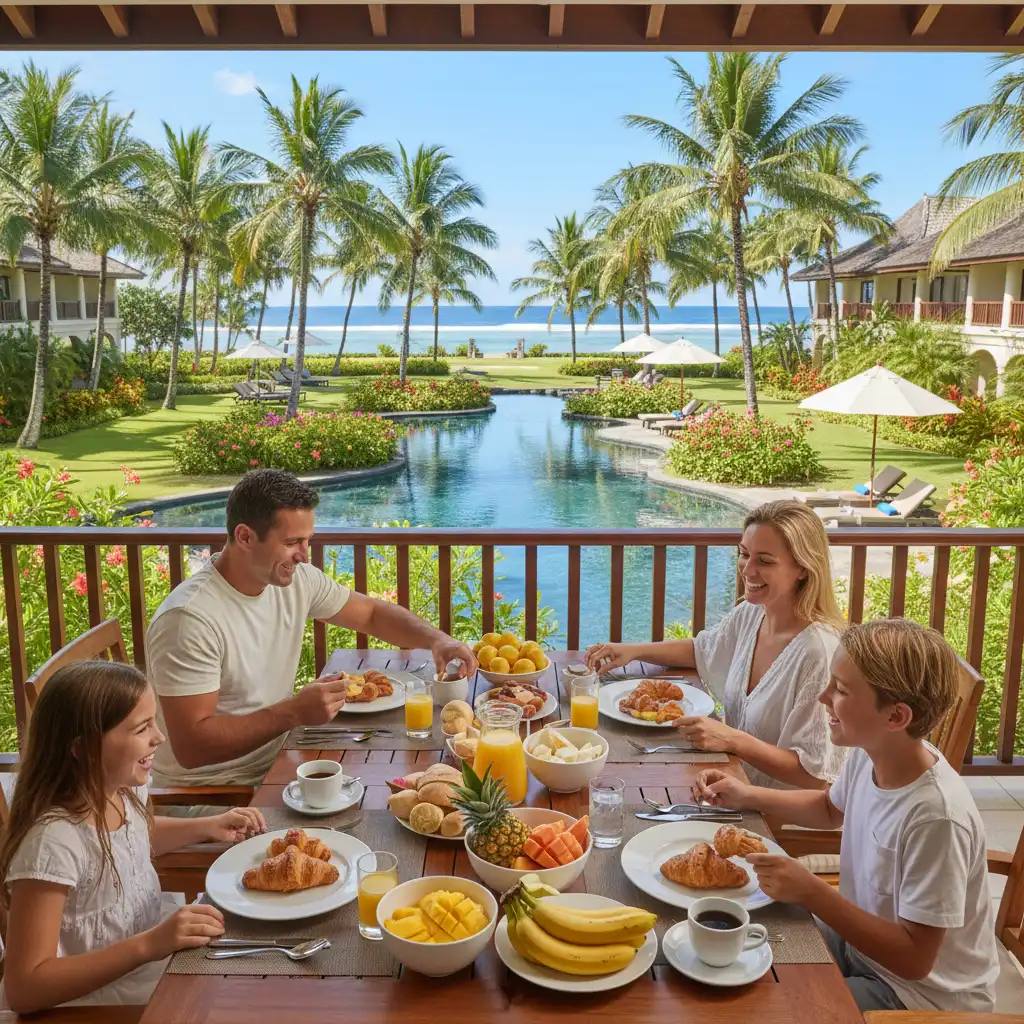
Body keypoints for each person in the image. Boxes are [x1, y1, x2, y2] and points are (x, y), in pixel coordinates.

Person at [696, 619, 998, 1014]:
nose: (823, 697)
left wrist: (811, 891)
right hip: (860, 947)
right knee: (733, 943)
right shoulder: (871, 754)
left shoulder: (937, 818)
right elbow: (828, 809)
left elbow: (914, 960)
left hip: (917, 998)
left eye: (840, 689)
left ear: (896, 717)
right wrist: (745, 794)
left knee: (767, 1007)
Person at [146, 469, 477, 789]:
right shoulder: (189, 619)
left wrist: (437, 639)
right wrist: (293, 712)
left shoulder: (292, 580)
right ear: (245, 537)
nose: (304, 556)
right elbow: (191, 749)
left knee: (405, 781)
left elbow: (372, 614)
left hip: (284, 758)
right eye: (292, 542)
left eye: (307, 541)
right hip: (218, 793)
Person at [0, 661, 266, 1013]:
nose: (159, 737)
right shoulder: (53, 844)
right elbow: (25, 987)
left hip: (152, 960)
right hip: (97, 1003)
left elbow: (134, 841)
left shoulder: (121, 789)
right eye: (142, 728)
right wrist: (150, 944)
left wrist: (206, 826)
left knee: (259, 970)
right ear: (81, 748)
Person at [586, 499, 845, 790]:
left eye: (765, 561)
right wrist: (632, 651)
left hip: (776, 818)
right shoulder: (753, 613)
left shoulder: (818, 653)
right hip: (727, 785)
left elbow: (816, 776)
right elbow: (703, 651)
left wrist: (731, 739)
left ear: (803, 567)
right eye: (744, 554)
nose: (747, 571)